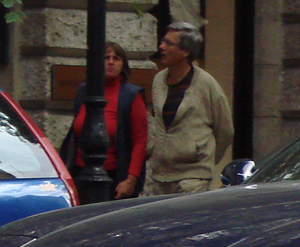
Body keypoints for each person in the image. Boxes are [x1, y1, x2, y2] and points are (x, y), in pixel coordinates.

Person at [147, 22, 234, 195]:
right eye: (163, 41)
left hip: (192, 178)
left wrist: (205, 158)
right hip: (158, 175)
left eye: (169, 43)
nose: (161, 47)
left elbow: (225, 129)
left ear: (185, 51)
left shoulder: (205, 83)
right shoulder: (159, 80)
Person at [64, 41, 149, 199]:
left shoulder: (131, 95)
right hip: (80, 174)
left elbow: (140, 141)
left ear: (123, 65)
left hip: (114, 179)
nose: (111, 62)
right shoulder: (84, 91)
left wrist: (131, 179)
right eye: (106, 58)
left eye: (116, 58)